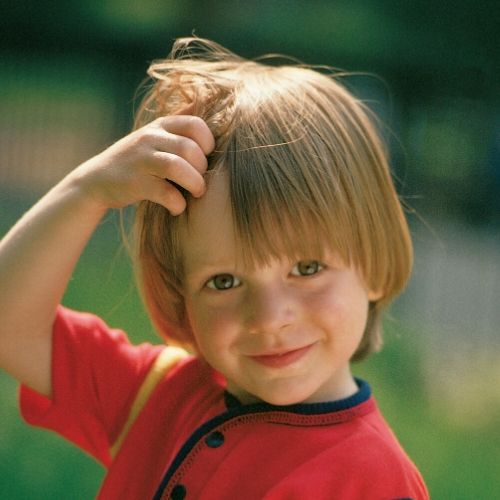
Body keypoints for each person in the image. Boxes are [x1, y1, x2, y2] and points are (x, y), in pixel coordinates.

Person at [0, 37, 429, 499]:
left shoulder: (376, 481)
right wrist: (87, 191)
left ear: (375, 266)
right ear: (181, 296)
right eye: (223, 281)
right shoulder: (159, 396)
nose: (268, 317)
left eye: (307, 268)